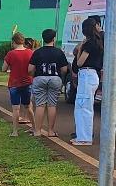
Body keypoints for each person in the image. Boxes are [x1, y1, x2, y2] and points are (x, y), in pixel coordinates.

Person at [28, 29, 69, 137]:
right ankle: (51, 131)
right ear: (54, 39)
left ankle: (37, 131)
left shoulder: (37, 52)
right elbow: (64, 69)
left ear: (43, 39)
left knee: (40, 105)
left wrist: (34, 74)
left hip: (40, 78)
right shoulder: (59, 52)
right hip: (55, 79)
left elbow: (30, 69)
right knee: (52, 105)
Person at [72, 18, 104, 146]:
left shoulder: (89, 44)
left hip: (87, 74)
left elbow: (80, 62)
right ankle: (83, 136)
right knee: (84, 106)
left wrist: (80, 49)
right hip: (91, 76)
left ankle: (84, 138)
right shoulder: (98, 42)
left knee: (83, 107)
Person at [2, 32, 34, 137]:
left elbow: (4, 69)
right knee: (28, 106)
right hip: (27, 82)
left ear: (13, 42)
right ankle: (34, 128)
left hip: (14, 83)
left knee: (16, 109)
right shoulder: (30, 52)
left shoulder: (11, 54)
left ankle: (15, 131)